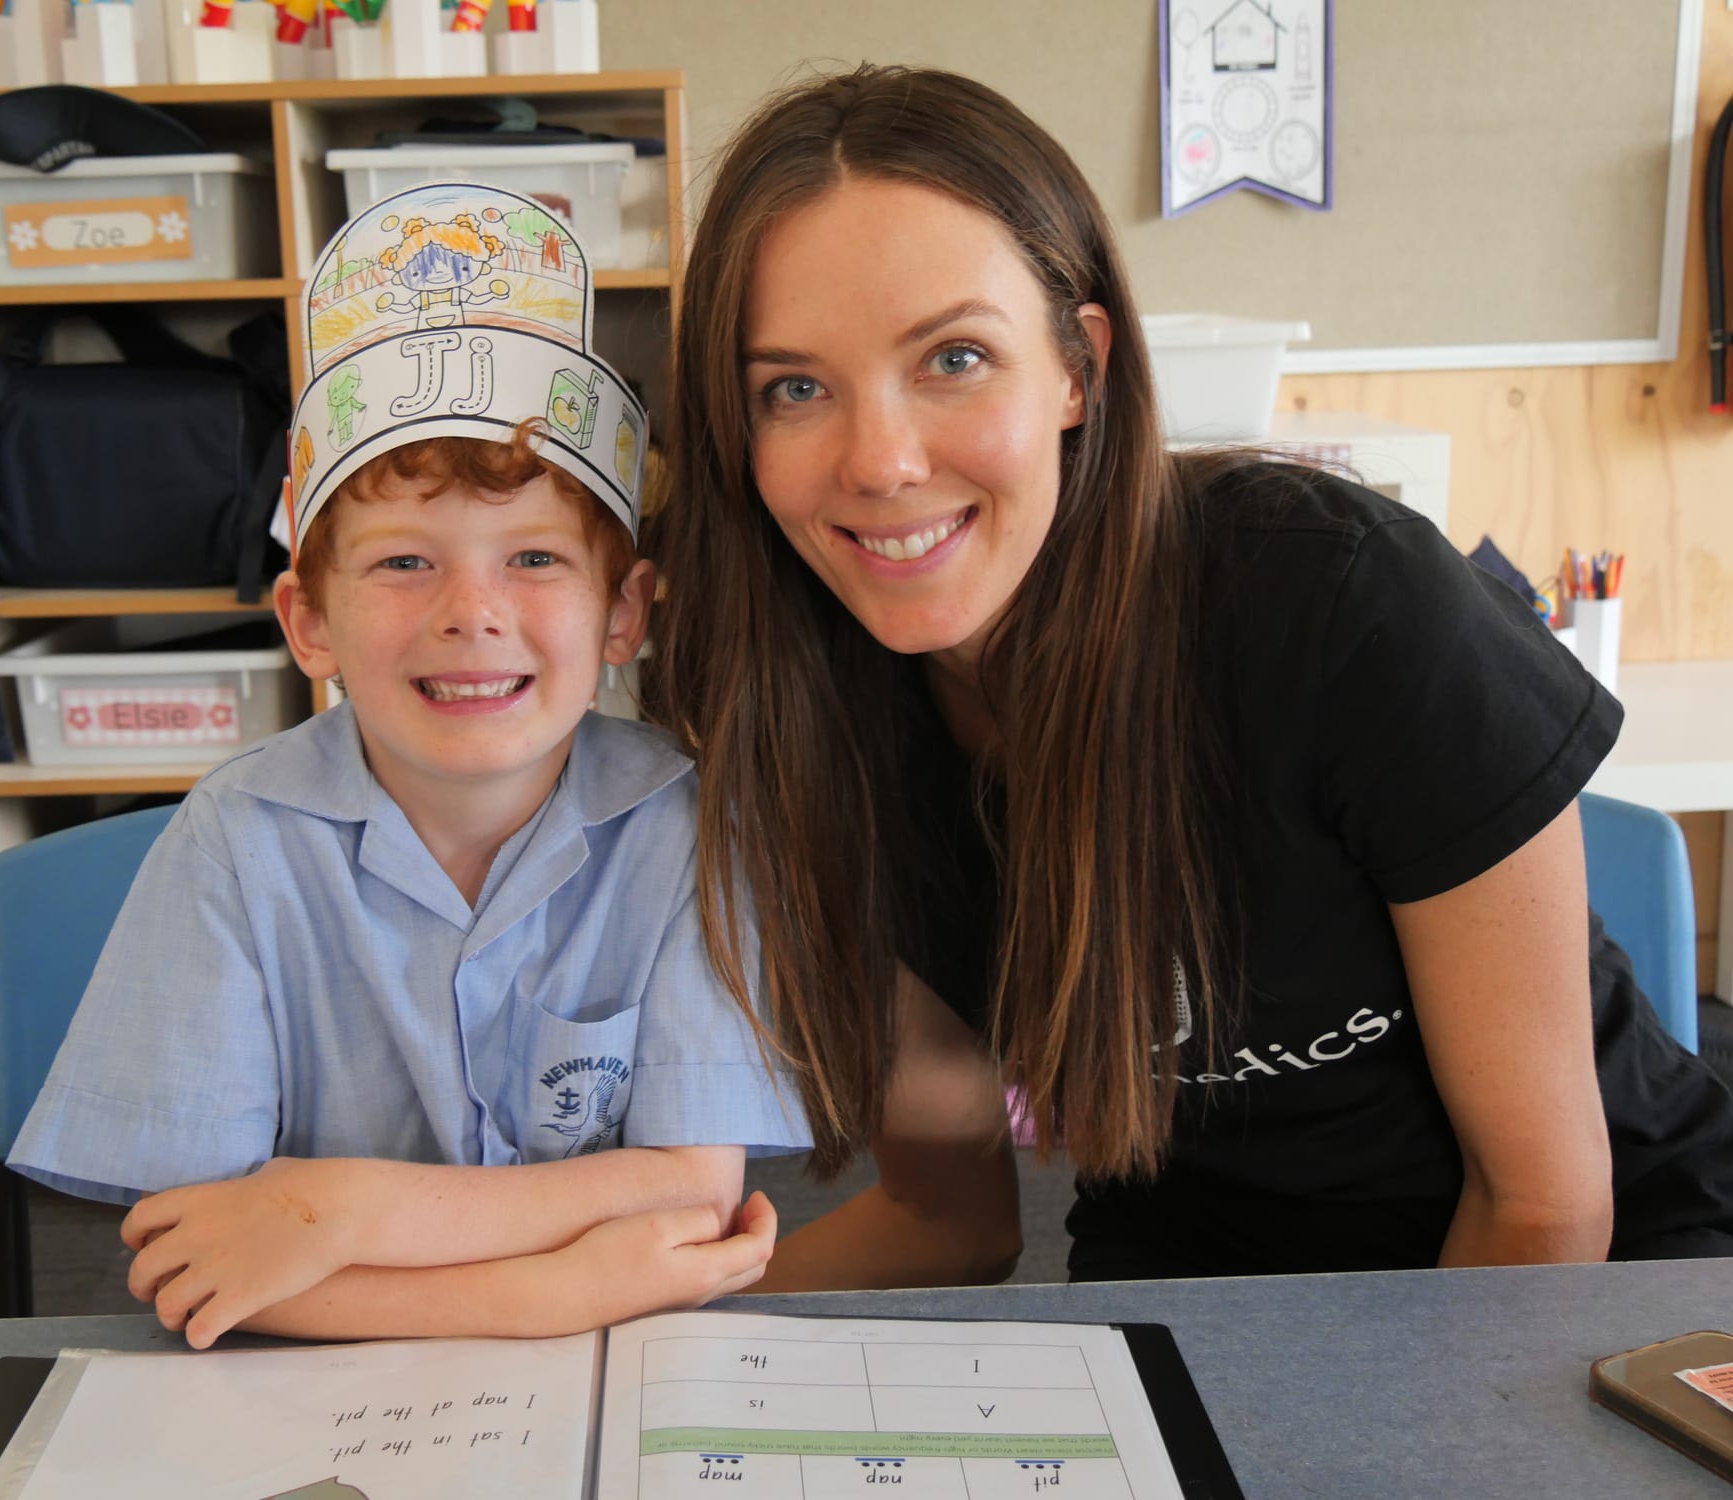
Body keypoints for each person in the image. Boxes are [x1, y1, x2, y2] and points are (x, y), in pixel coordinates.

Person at [644, 64, 1733, 1285]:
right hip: (1195, 1288)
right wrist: (630, 1343)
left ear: (1078, 367)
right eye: (793, 388)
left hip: (1595, 1275)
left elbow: (1539, 1207)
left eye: (952, 358)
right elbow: (947, 1218)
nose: (881, 461)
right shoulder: (800, 719)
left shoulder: (1340, 607)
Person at [10, 180, 807, 1348]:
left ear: (624, 613)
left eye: (534, 556)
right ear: (307, 621)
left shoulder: (683, 828)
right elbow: (195, 1258)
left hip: (622, 1381)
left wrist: (333, 1209)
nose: (471, 612)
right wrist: (562, 1280)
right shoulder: (236, 840)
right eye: (400, 564)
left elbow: (689, 1192)